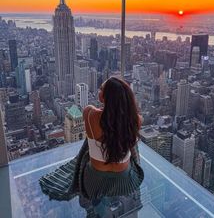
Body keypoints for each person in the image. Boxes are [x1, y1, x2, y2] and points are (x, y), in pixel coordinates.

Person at [39, 76, 144, 216]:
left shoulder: (89, 113)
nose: (98, 91)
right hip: (124, 181)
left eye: (101, 89)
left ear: (105, 96)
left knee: (94, 187)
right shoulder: (136, 119)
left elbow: (100, 122)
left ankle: (98, 209)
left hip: (94, 181)